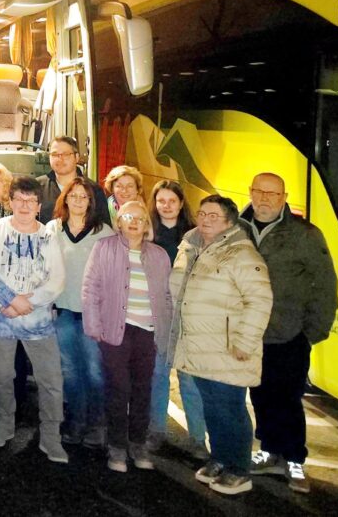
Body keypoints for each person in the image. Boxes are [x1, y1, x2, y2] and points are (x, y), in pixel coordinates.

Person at [242, 173, 337, 494]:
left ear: (284, 197)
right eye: (259, 191)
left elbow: (325, 285)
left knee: (289, 399)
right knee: (261, 396)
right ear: (251, 192)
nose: (265, 198)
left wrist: (312, 331)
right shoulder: (237, 228)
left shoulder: (305, 235)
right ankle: (269, 450)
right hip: (249, 334)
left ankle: (295, 458)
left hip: (289, 334)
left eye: (273, 193)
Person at [171, 195, 272, 495]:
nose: (205, 219)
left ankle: (239, 469)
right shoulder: (195, 247)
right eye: (202, 213)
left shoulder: (241, 254)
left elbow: (260, 300)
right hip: (200, 345)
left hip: (228, 348)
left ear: (230, 221)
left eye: (214, 215)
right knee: (213, 407)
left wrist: (245, 342)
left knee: (230, 408)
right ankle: (220, 458)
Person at [0, 176, 68, 463]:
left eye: (31, 201)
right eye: (20, 199)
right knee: (1, 376)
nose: (25, 206)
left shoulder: (48, 237)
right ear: (11, 201)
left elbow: (57, 280)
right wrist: (11, 300)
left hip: (37, 322)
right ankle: (4, 424)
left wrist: (28, 303)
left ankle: (51, 436)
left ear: (39, 206)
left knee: (51, 380)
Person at [82, 201, 174, 473]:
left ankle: (138, 443)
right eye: (128, 217)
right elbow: (90, 289)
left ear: (147, 224)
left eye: (140, 218)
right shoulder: (104, 248)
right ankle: (117, 446)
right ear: (119, 222)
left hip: (147, 333)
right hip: (114, 332)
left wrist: (166, 332)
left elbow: (167, 297)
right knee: (118, 389)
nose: (134, 222)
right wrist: (94, 327)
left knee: (142, 389)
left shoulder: (159, 255)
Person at [45, 177, 114, 448]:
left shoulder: (104, 232)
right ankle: (76, 421)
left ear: (91, 201)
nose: (77, 200)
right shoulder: (53, 228)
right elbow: (44, 269)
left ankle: (98, 424)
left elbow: (112, 276)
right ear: (65, 199)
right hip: (62, 313)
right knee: (70, 371)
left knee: (95, 371)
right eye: (72, 195)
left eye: (83, 196)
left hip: (92, 315)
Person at [146, 180, 207, 458]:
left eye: (172, 200)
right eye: (161, 201)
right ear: (154, 203)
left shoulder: (197, 236)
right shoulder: (146, 234)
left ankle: (197, 439)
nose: (166, 206)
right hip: (158, 315)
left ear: (182, 203)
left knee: (190, 380)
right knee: (158, 375)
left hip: (189, 318)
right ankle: (156, 430)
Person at [37, 136, 107, 224]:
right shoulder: (37, 186)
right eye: (55, 154)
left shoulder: (94, 190)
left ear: (77, 157)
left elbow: (104, 229)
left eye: (66, 154)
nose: (60, 159)